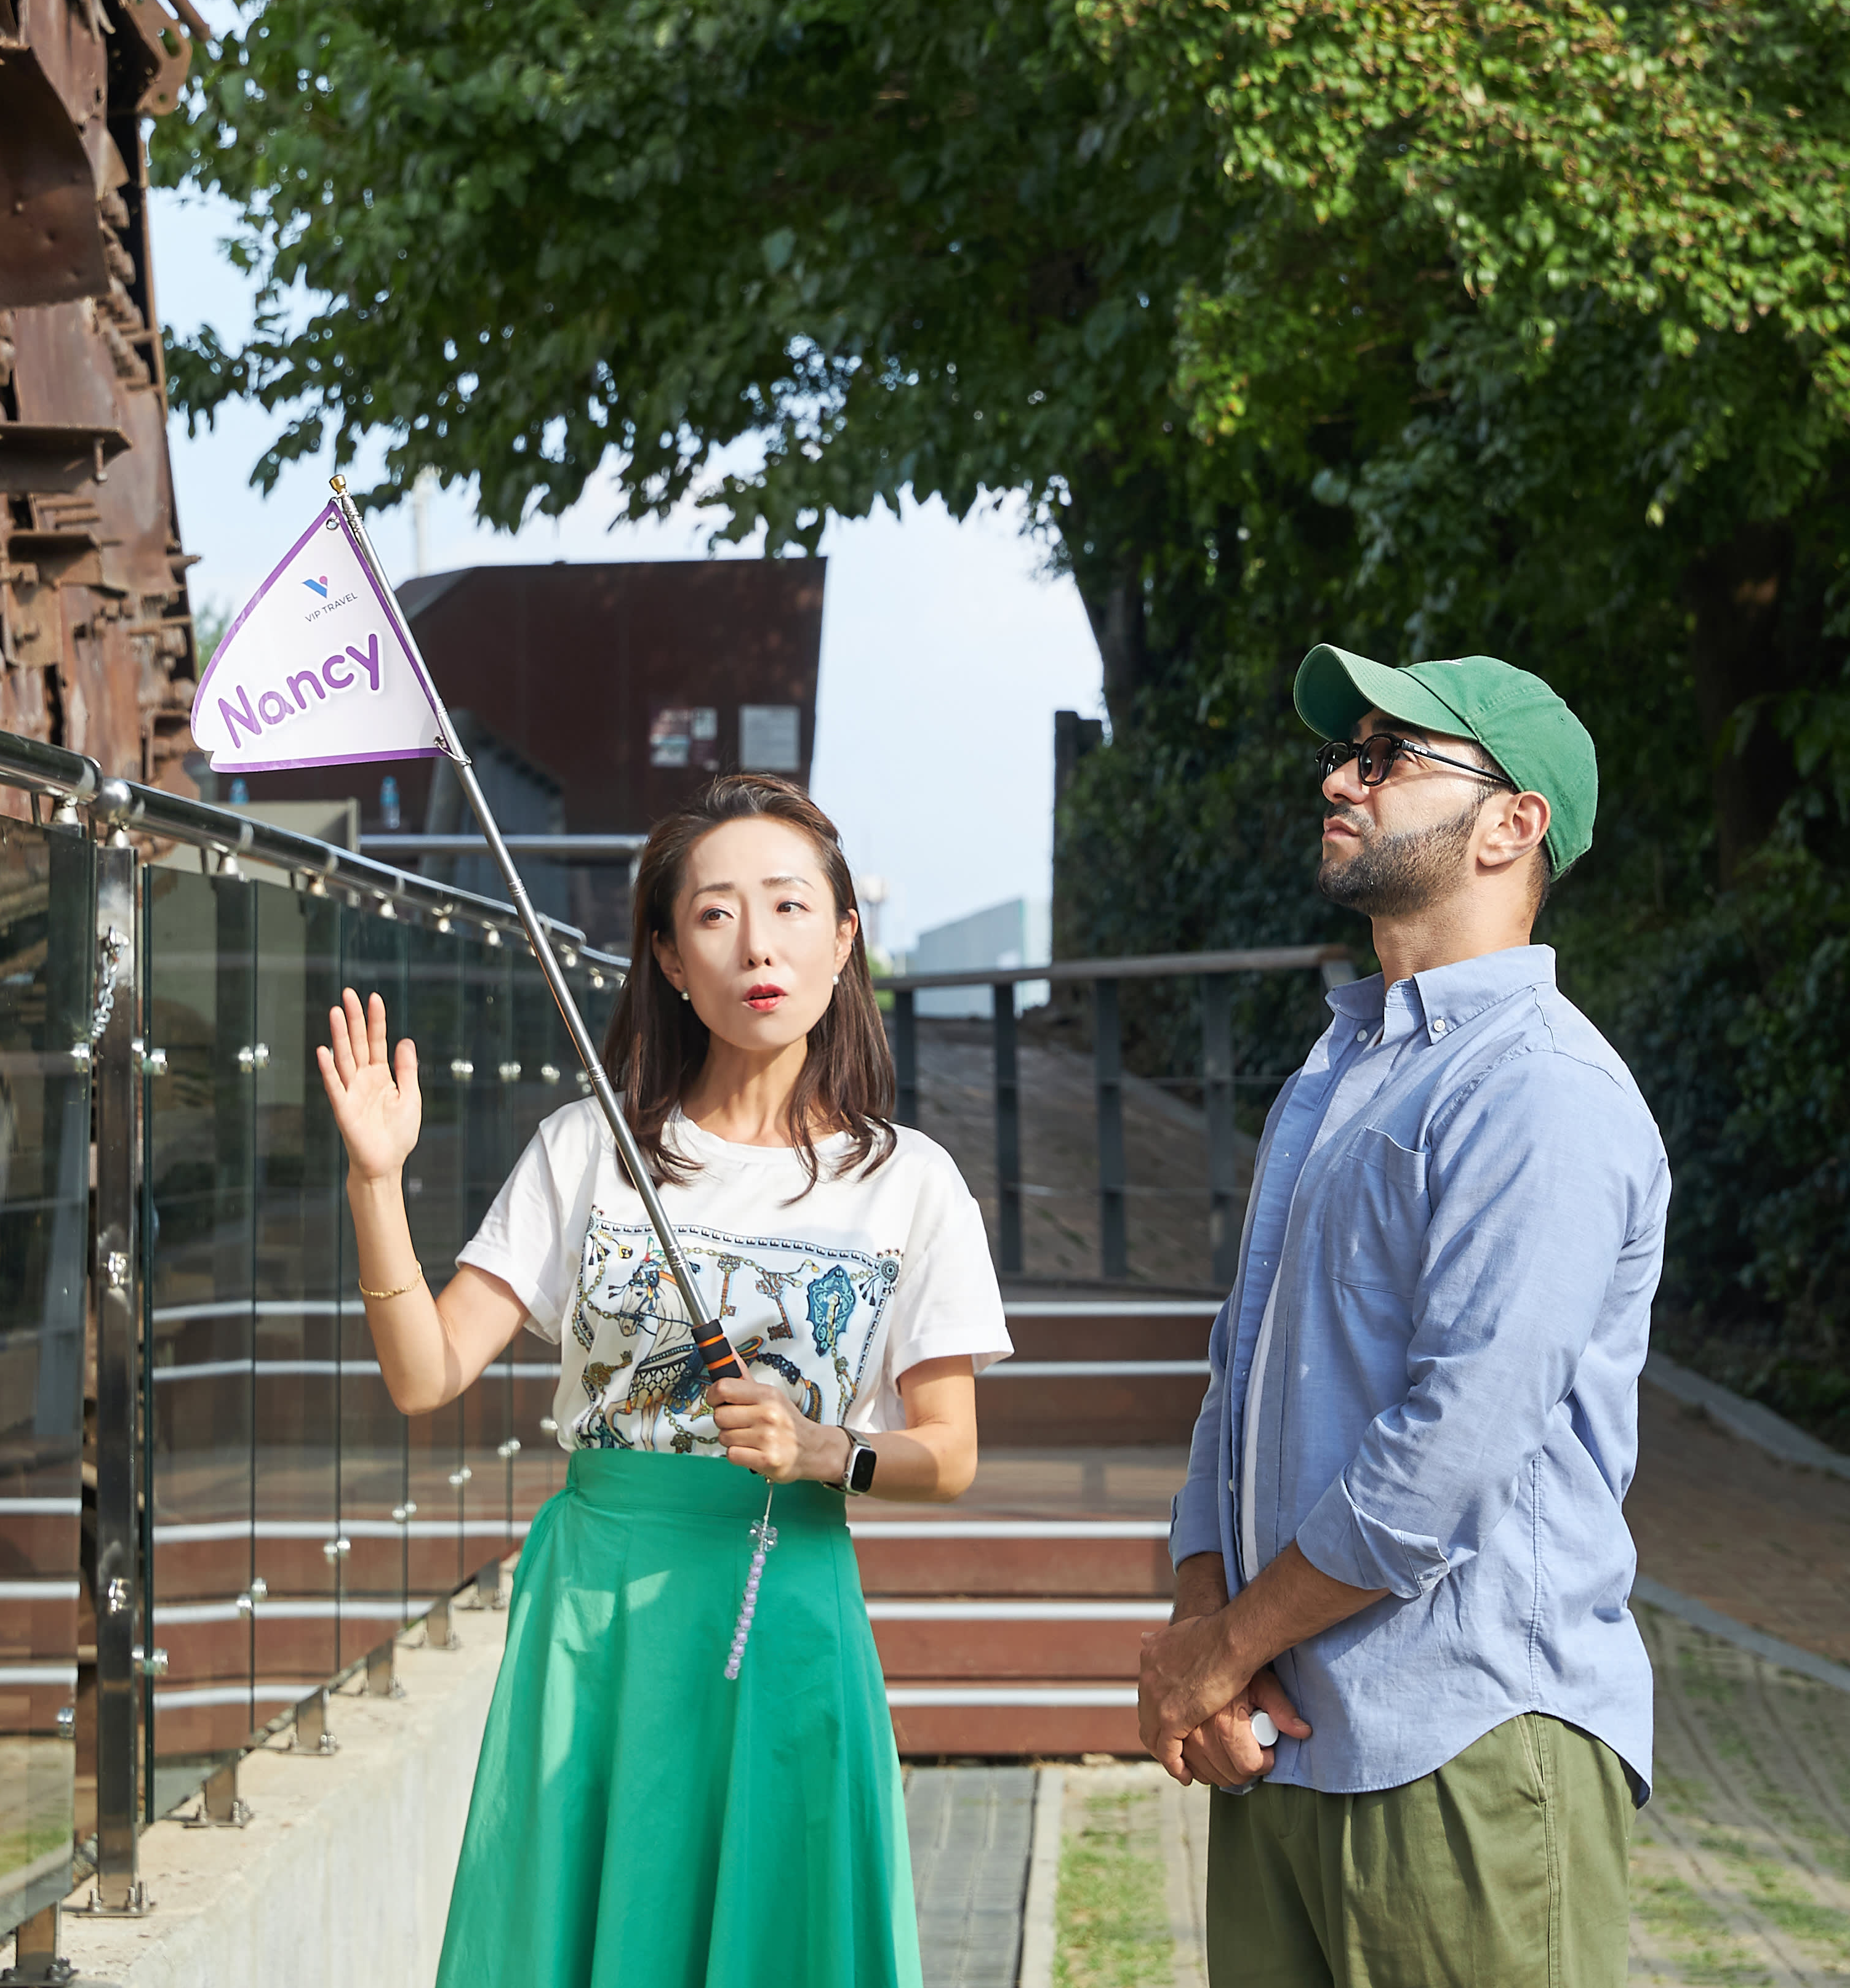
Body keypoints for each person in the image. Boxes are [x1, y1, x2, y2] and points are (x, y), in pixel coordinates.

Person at [318, 772, 1009, 1987]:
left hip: (789, 1602)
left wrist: (822, 1451)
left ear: (847, 941)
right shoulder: (588, 1149)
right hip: (596, 1615)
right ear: (670, 958)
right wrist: (379, 1183)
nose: (760, 944)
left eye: (793, 908)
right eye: (716, 914)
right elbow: (426, 1373)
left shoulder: (912, 1183)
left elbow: (947, 1453)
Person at [1137, 647, 1668, 1988]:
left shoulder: (1542, 1091)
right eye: (1344, 752)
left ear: (1512, 822)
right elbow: (1235, 1386)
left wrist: (1225, 1648)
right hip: (1292, 1742)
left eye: (1385, 758)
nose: (1339, 777)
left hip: (1468, 1743)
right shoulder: (1339, 1071)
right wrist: (1214, 1639)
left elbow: (1451, 1448)